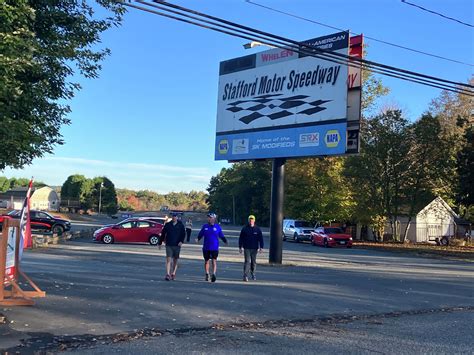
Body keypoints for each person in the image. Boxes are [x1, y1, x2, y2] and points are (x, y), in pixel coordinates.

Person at [195, 212, 227, 282]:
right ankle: (207, 273)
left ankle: (214, 274)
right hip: (206, 247)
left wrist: (225, 241)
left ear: (214, 219)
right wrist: (198, 239)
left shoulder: (217, 227)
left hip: (214, 247)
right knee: (206, 261)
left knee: (214, 260)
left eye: (210, 218)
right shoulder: (205, 226)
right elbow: (200, 234)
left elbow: (221, 235)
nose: (209, 219)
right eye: (208, 218)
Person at [159, 212, 186, 281]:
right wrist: (160, 243)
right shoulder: (168, 225)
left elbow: (183, 234)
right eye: (173, 216)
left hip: (177, 245)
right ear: (172, 217)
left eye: (175, 216)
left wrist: (181, 241)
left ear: (177, 217)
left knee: (175, 260)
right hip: (169, 244)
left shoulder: (180, 225)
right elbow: (163, 233)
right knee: (168, 259)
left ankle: (173, 273)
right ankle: (168, 274)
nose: (174, 217)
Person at [239, 214, 264, 282]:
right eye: (250, 220)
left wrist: (261, 247)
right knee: (247, 261)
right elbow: (241, 238)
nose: (251, 221)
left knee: (253, 262)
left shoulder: (257, 229)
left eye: (252, 220)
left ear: (254, 220)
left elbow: (260, 239)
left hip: (254, 248)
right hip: (246, 247)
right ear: (248, 220)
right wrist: (240, 247)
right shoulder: (244, 228)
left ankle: (253, 273)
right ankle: (245, 275)